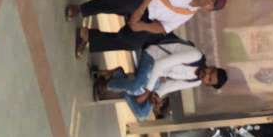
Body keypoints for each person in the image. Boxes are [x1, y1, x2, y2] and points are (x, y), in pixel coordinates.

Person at [69, 0, 227, 57]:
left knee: (133, 43)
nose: (209, 1)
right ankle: (82, 9)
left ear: (208, 10)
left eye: (212, 4)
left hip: (147, 15)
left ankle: (88, 36)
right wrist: (140, 10)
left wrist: (141, 26)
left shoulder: (189, 14)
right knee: (128, 5)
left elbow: (163, 28)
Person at [93, 39, 228, 118]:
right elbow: (160, 64)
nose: (207, 75)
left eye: (209, 79)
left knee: (143, 113)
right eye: (211, 72)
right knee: (137, 87)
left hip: (156, 75)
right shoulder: (195, 56)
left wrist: (156, 96)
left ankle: (120, 80)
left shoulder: (196, 81)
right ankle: (106, 84)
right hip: (152, 57)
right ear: (212, 66)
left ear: (207, 84)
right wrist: (148, 91)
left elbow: (171, 86)